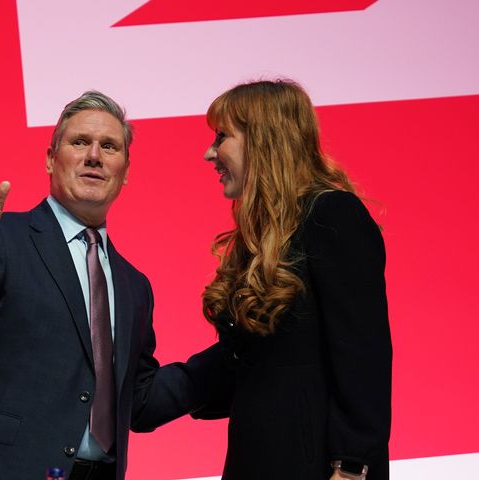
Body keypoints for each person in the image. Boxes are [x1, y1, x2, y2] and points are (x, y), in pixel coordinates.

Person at [0, 91, 229, 480]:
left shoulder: (135, 286)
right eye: (80, 142)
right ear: (51, 159)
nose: (94, 156)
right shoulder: (2, 237)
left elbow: (139, 403)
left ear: (126, 170)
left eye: (110, 146)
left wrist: (232, 357)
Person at [194, 80, 392, 479]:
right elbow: (250, 364)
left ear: (263, 140)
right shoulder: (261, 240)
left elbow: (362, 353)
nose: (209, 153)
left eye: (222, 136)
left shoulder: (332, 216)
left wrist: (352, 466)